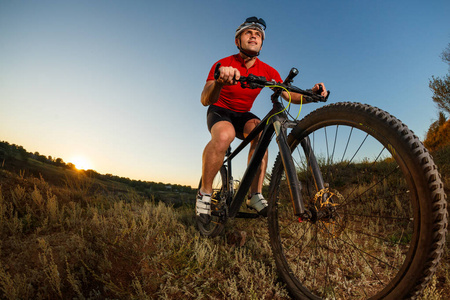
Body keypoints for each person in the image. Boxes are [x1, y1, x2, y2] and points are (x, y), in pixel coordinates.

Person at [196, 17, 328, 225]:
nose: (254, 36)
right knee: (224, 135)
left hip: (243, 114)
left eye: (258, 35)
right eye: (249, 32)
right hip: (220, 110)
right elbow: (205, 99)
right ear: (237, 40)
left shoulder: (267, 71)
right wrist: (220, 82)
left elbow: (289, 95)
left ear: (261, 44)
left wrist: (311, 94)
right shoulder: (223, 64)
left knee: (261, 131)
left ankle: (254, 195)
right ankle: (204, 193)